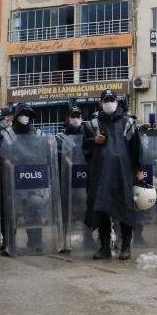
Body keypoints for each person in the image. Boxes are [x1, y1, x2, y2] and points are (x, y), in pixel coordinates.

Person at [84, 89, 143, 260]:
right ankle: (104, 247)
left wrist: (138, 170)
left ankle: (125, 246)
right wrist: (93, 141)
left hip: (122, 174)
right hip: (100, 174)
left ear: (117, 101)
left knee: (125, 208)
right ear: (101, 103)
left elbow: (136, 148)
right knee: (101, 209)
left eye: (112, 99)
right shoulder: (92, 124)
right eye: (106, 99)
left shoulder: (128, 122)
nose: (109, 102)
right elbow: (84, 147)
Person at [1, 102, 48, 254]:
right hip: (13, 178)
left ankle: (35, 242)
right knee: (12, 211)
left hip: (33, 178)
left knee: (34, 211)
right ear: (16, 115)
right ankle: (9, 242)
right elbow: (1, 156)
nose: (25, 117)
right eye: (22, 114)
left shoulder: (38, 133)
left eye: (28, 115)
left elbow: (45, 155)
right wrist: (9, 164)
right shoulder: (7, 133)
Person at [56, 107, 95, 251]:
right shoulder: (60, 137)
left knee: (87, 211)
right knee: (66, 212)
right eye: (73, 115)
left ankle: (88, 238)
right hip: (67, 183)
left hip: (84, 180)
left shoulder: (87, 135)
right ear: (68, 118)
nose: (76, 118)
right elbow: (60, 155)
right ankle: (64, 241)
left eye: (78, 115)